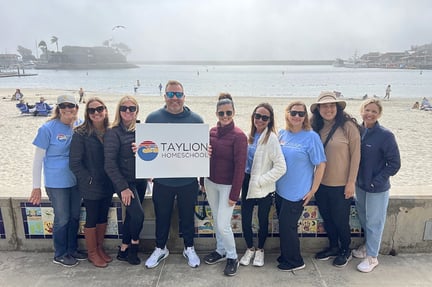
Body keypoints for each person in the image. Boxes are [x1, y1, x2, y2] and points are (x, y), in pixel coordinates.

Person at [144, 80, 203, 269]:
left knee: (187, 216)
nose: (174, 98)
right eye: (170, 94)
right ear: (165, 96)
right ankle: (160, 248)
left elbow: (198, 151)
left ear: (184, 97)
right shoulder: (153, 118)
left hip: (188, 181)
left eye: (178, 94)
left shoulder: (197, 120)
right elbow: (149, 147)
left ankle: (189, 247)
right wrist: (142, 156)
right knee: (162, 217)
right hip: (162, 181)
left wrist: (204, 154)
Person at [28, 95, 86, 267]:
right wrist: (35, 187)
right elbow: (38, 160)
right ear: (59, 108)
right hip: (56, 182)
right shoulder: (47, 129)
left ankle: (72, 249)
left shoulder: (80, 124)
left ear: (77, 107)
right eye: (64, 106)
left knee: (75, 216)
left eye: (72, 105)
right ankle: (60, 253)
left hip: (76, 181)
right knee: (62, 218)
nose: (68, 109)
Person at [310, 91, 361, 268]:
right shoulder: (315, 127)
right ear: (318, 109)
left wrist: (351, 182)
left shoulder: (348, 127)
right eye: (324, 106)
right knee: (328, 219)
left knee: (341, 220)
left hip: (341, 186)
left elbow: (356, 156)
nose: (328, 109)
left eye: (332, 105)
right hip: (321, 184)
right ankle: (333, 246)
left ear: (337, 108)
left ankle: (345, 250)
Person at [276, 101, 326, 271]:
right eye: (294, 112)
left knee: (288, 227)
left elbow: (320, 165)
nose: (297, 116)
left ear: (305, 117)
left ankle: (295, 261)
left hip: (297, 192)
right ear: (287, 114)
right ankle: (285, 255)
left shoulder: (311, 137)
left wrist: (313, 189)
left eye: (301, 113)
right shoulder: (282, 134)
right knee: (283, 225)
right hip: (280, 190)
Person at [352, 98, 401, 273]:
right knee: (364, 219)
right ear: (361, 111)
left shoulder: (385, 135)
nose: (370, 114)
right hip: (360, 185)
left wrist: (376, 180)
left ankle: (372, 257)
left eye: (374, 111)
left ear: (379, 114)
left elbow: (394, 164)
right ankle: (367, 246)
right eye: (367, 110)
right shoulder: (358, 131)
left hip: (377, 188)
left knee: (375, 222)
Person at [202, 94, 247, 276]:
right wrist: (201, 181)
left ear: (234, 112)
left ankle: (232, 256)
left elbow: (240, 167)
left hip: (228, 186)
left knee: (223, 224)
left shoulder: (239, 136)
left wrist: (234, 194)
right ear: (216, 113)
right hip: (210, 183)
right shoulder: (211, 132)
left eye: (229, 112)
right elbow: (204, 158)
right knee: (216, 219)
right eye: (221, 113)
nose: (225, 116)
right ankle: (221, 250)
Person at [239, 103, 286, 268]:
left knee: (262, 220)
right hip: (246, 182)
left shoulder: (271, 138)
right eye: (257, 116)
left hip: (263, 185)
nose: (260, 120)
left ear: (270, 120)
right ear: (253, 117)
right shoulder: (248, 136)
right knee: (245, 218)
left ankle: (260, 250)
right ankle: (250, 248)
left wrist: (260, 181)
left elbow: (281, 167)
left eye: (264, 117)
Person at [69, 97, 114, 268]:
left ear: (105, 110)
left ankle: (100, 248)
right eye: (92, 110)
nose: (96, 113)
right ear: (87, 113)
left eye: (100, 109)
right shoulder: (80, 133)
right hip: (90, 185)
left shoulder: (110, 131)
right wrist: (88, 179)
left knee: (103, 217)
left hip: (108, 183)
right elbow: (74, 162)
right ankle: (92, 253)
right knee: (92, 218)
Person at [104, 95, 147, 265]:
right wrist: (122, 187)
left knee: (131, 215)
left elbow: (150, 154)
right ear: (119, 111)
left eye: (132, 108)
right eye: (124, 108)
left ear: (137, 111)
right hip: (124, 182)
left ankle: (123, 248)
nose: (128, 111)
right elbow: (109, 164)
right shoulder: (113, 132)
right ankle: (134, 247)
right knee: (138, 216)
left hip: (141, 180)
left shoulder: (142, 130)